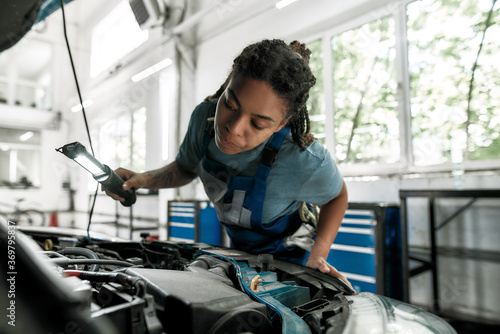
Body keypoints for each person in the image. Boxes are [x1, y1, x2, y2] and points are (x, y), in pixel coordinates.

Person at [104, 39, 350, 287]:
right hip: (243, 258)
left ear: (281, 124)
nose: (233, 128)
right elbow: (185, 168)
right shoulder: (204, 120)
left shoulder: (303, 159)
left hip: (294, 267)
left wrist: (319, 255)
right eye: (230, 104)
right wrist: (142, 179)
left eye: (258, 124)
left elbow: (336, 197)